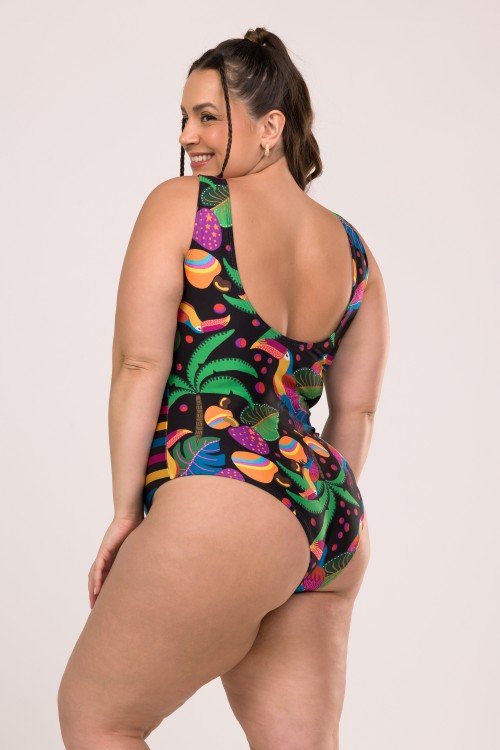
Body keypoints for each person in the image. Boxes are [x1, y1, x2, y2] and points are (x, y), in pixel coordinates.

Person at [58, 26, 390, 750]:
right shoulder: (355, 252)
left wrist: (126, 512)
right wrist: (298, 518)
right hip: (330, 512)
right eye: (183, 118)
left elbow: (140, 365)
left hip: (223, 475)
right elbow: (357, 410)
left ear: (271, 127)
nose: (188, 137)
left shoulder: (190, 205)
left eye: (208, 117)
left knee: (98, 720)